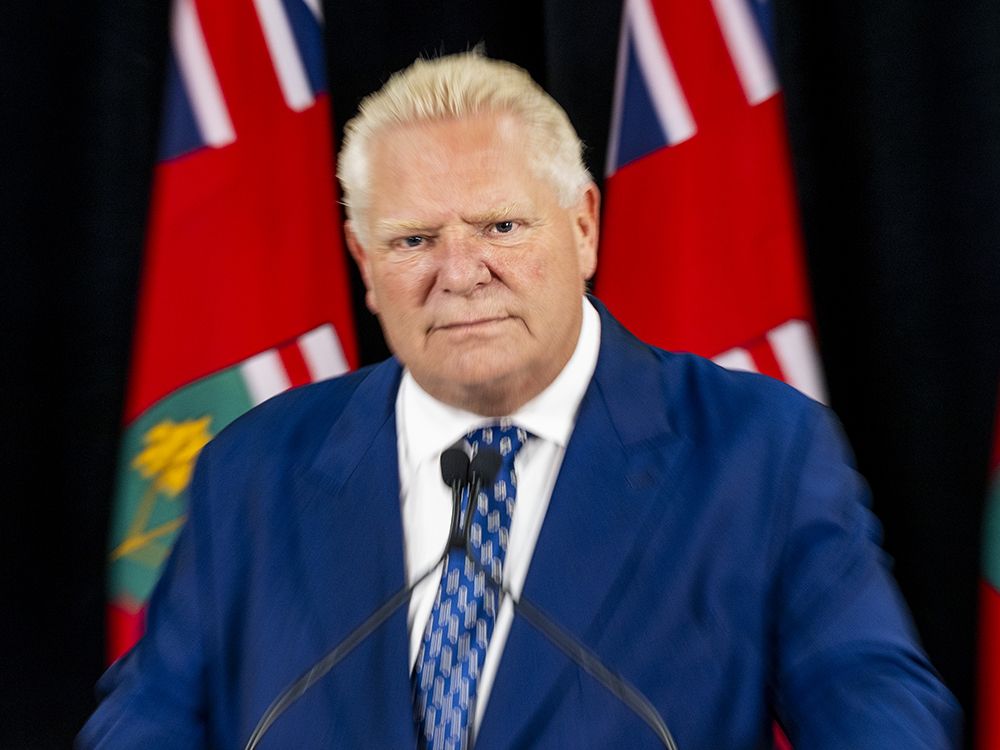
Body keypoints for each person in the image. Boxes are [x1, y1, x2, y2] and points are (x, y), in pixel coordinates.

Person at [79, 52, 959, 749]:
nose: (459, 274)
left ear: (583, 227)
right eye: (413, 239)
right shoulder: (254, 469)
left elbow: (876, 704)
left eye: (501, 227)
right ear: (363, 263)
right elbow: (148, 715)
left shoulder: (758, 451)